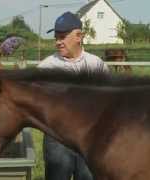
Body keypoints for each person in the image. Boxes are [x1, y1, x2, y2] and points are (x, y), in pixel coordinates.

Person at [37, 11, 109, 180]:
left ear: (78, 36)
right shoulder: (47, 67)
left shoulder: (96, 64)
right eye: (56, 38)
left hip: (90, 138)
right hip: (58, 138)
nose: (58, 42)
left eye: (62, 37)